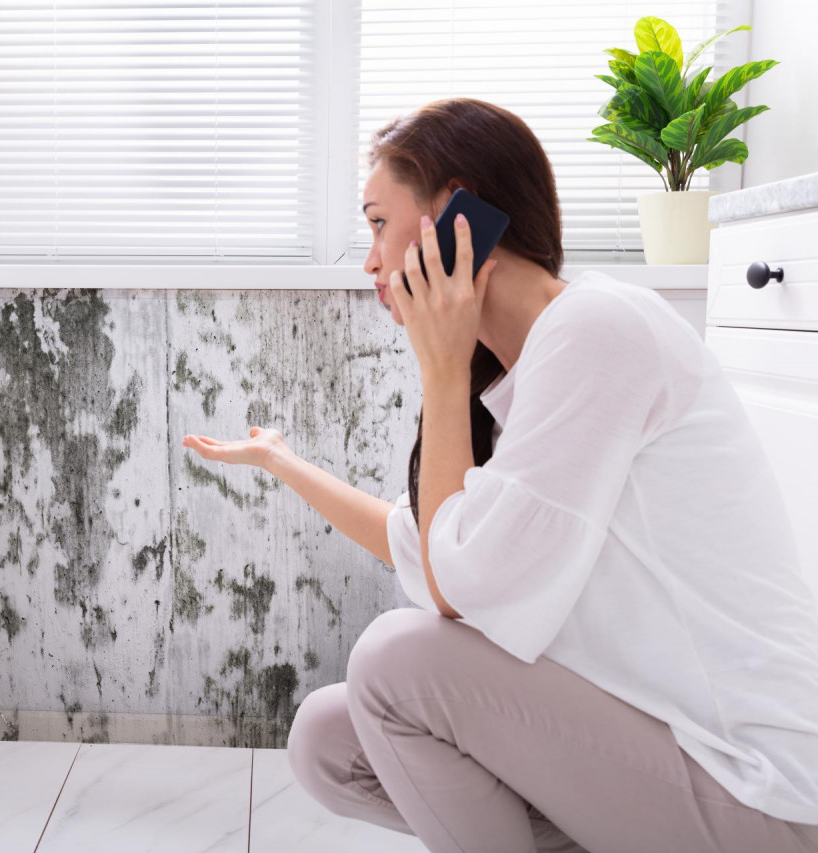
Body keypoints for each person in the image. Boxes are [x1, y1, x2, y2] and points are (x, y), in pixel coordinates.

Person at [180, 97, 818, 853]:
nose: (371, 261)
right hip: (664, 761)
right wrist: (281, 461)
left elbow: (461, 590)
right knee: (329, 736)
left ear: (458, 215)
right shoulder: (527, 377)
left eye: (379, 223)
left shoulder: (600, 330)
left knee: (394, 660)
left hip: (758, 791)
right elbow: (420, 541)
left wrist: (443, 368)